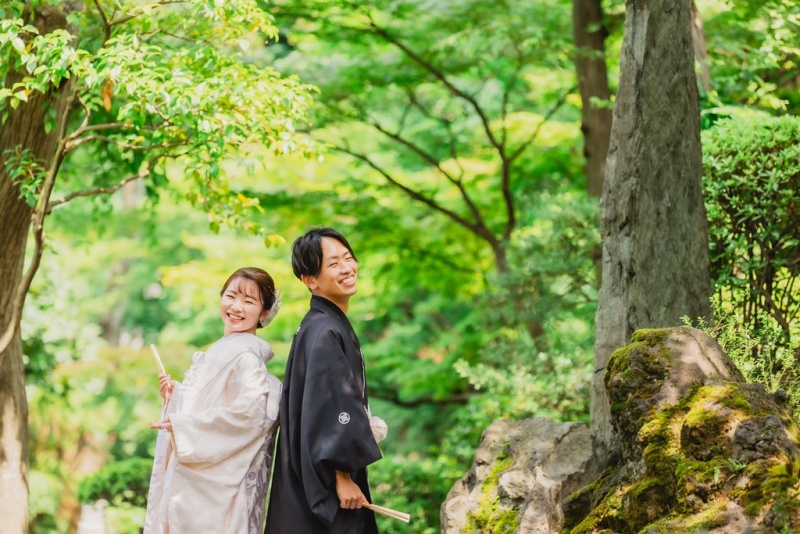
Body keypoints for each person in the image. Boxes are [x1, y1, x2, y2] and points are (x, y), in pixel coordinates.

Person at [143, 267, 282, 534]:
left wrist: (185, 427)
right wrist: (176, 396)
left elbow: (250, 415)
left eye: (249, 301)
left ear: (264, 312)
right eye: (231, 296)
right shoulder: (225, 349)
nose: (236, 307)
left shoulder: (246, 357)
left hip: (216, 489)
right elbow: (212, 403)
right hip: (196, 483)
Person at [265, 227, 384, 534]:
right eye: (334, 264)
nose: (347, 268)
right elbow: (331, 408)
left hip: (315, 471)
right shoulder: (324, 331)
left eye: (348, 258)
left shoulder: (321, 325)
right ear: (310, 280)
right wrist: (343, 476)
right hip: (329, 483)